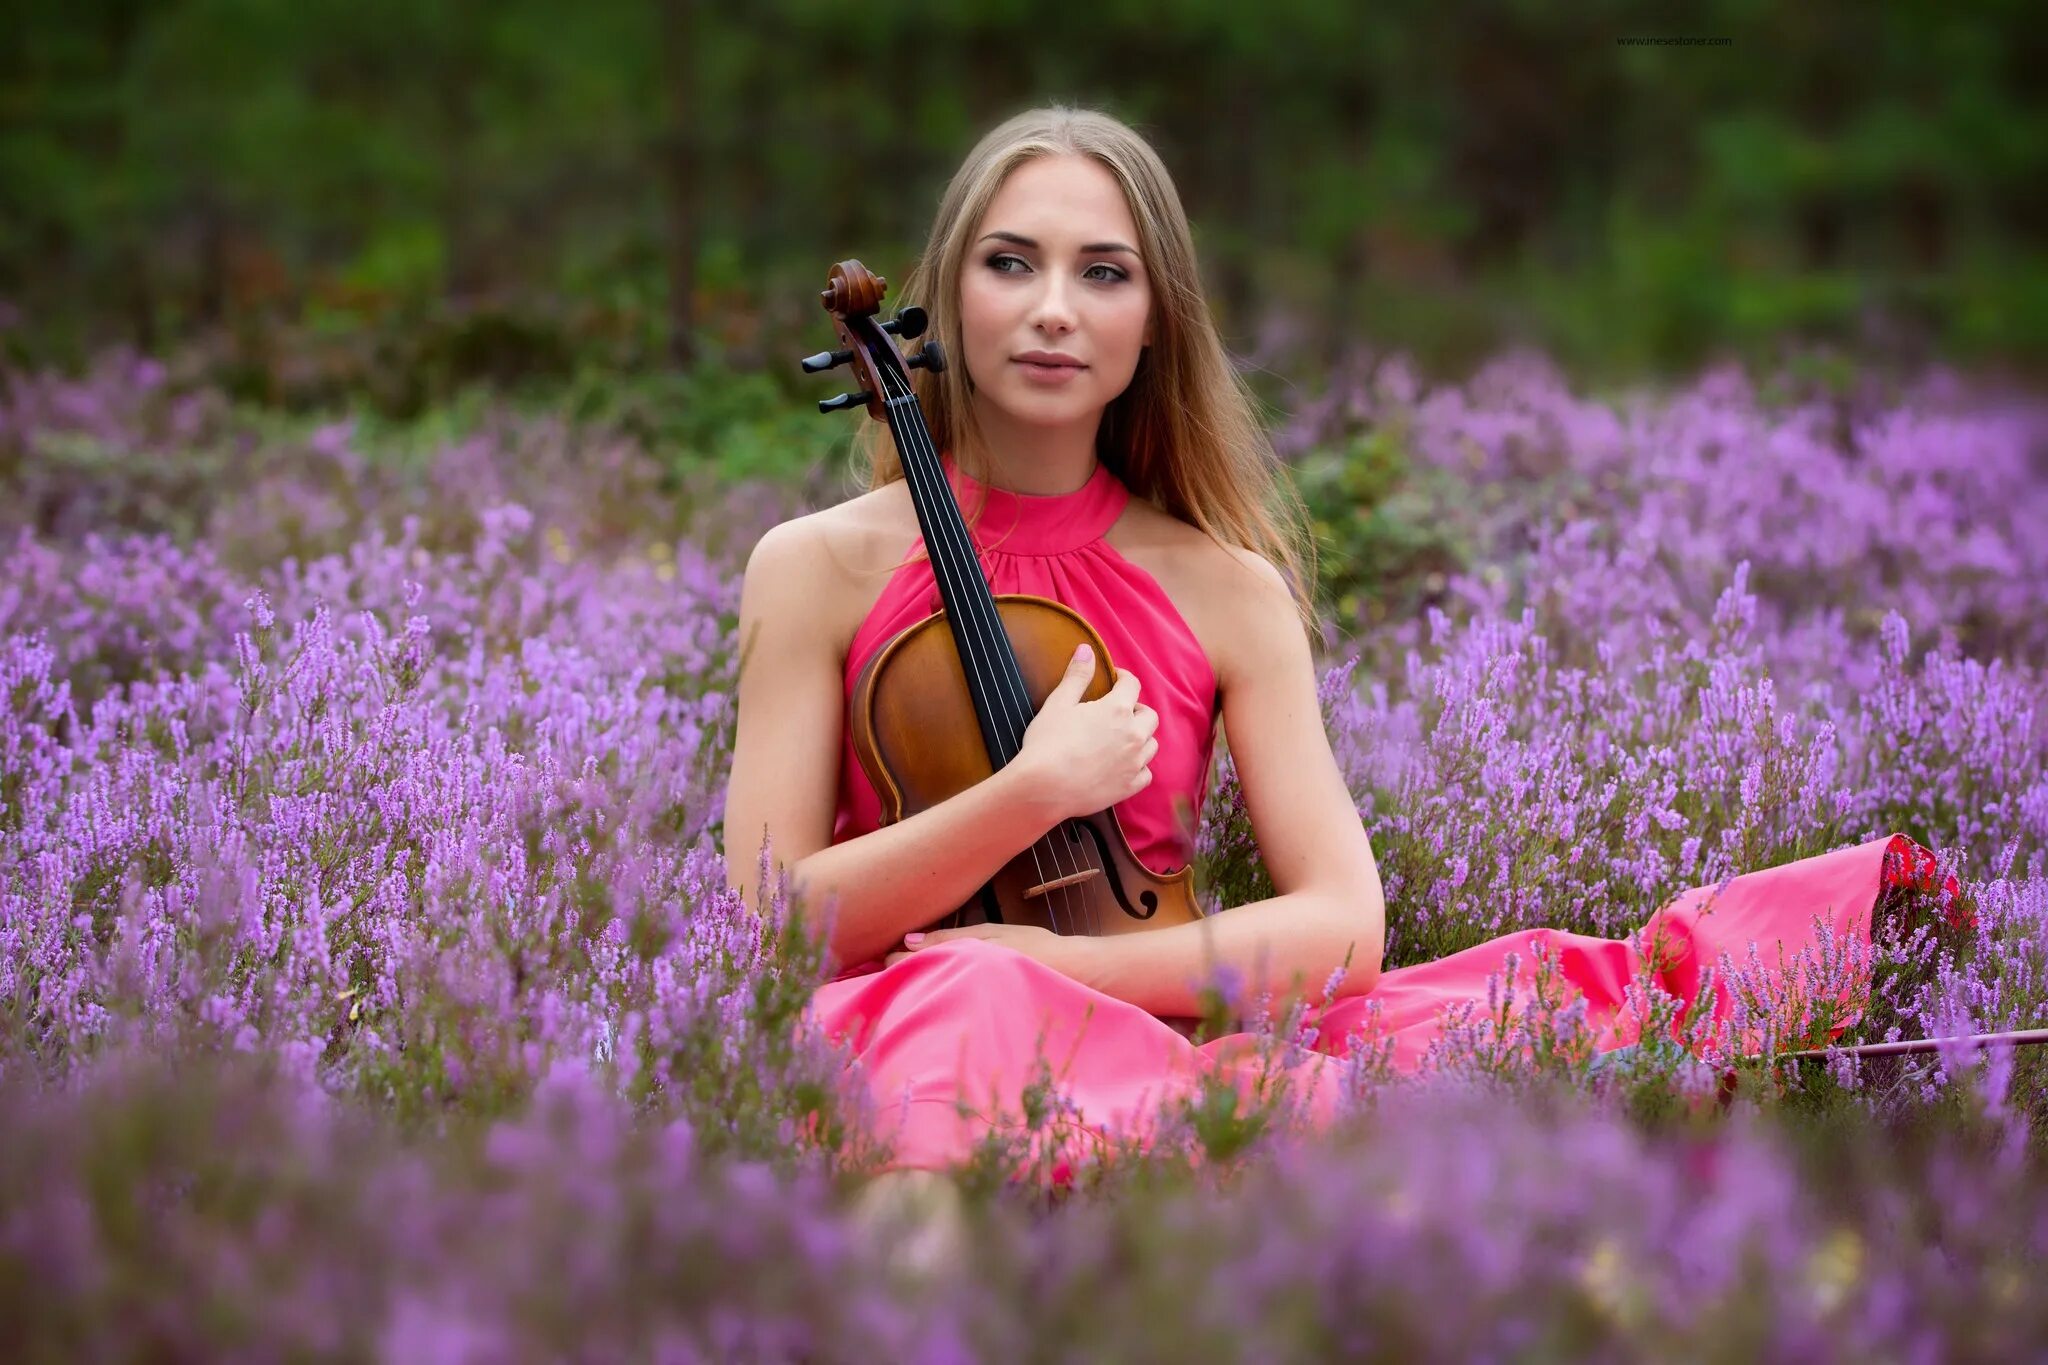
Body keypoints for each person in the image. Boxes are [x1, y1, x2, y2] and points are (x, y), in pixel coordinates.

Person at [721, 105, 1931, 1204]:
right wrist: (1030, 791)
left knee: (1532, 1031)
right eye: (1009, 263)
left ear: (1153, 324)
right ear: (949, 296)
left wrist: (1070, 961)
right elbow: (769, 922)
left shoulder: (1225, 589)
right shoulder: (812, 566)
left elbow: (1345, 925)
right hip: (914, 1022)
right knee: (968, 1019)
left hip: (1148, 1027)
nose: (1052, 308)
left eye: (1102, 273)